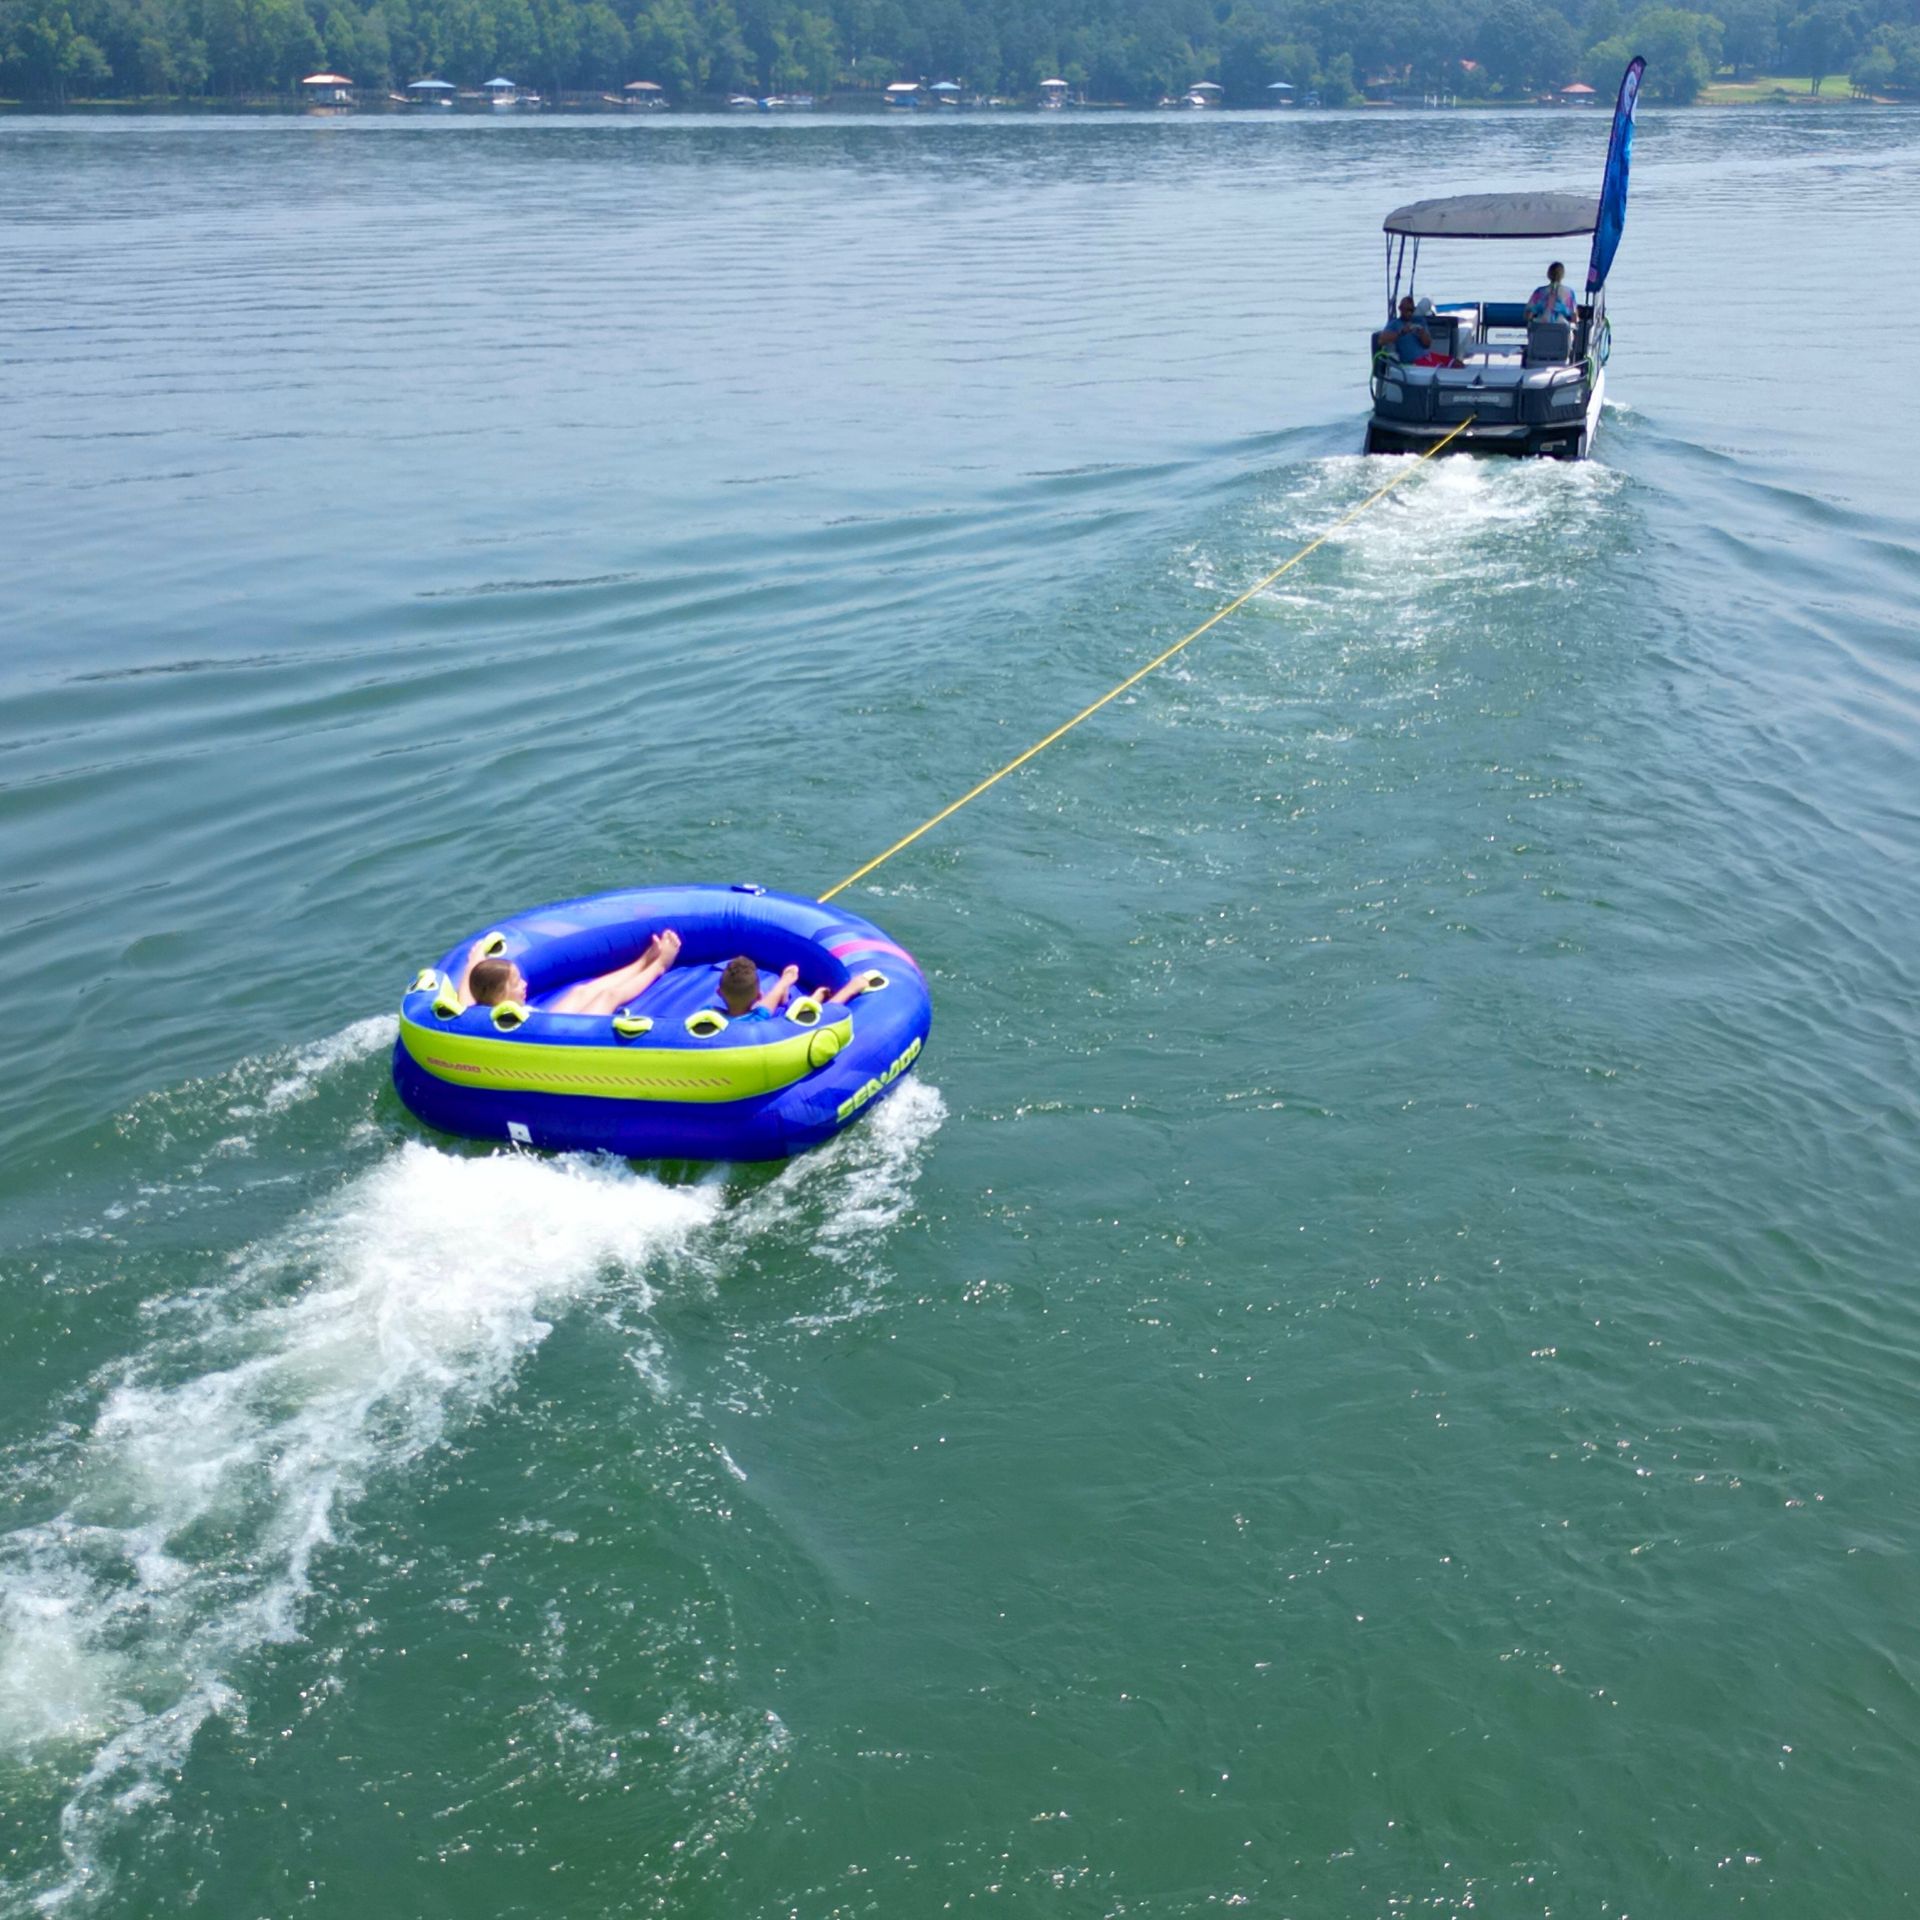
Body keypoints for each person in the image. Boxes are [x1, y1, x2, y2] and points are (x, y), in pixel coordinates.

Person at [459, 928, 682, 1016]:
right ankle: (658, 966)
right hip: (558, 1040)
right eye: (516, 983)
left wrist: (475, 960)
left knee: (579, 992)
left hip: (546, 1025)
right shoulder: (494, 1021)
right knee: (609, 996)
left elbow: (465, 997)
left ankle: (642, 962)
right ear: (498, 995)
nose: (524, 985)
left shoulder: (476, 1011)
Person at [714, 956, 882, 1021]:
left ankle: (806, 996)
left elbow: (764, 1006)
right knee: (802, 1015)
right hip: (784, 1030)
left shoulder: (711, 1016)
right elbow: (764, 1007)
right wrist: (849, 990)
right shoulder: (758, 1021)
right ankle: (848, 990)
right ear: (759, 995)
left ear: (718, 992)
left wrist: (784, 982)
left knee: (775, 1004)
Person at [1373, 295, 1431, 363]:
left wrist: (1422, 334)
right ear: (1400, 308)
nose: (1409, 313)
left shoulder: (1419, 321)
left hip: (1425, 361)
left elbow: (1427, 344)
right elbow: (1381, 340)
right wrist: (1402, 333)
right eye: (1407, 310)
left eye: (1411, 310)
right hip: (1409, 365)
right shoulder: (1394, 324)